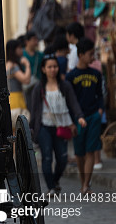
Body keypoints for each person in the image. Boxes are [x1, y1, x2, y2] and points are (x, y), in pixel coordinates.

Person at [30, 54, 85, 196]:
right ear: (43, 69)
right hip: (44, 126)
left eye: (55, 66)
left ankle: (55, 182)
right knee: (47, 157)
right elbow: (34, 110)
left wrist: (79, 117)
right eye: (49, 67)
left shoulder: (65, 86)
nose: (52, 69)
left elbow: (73, 103)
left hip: (62, 126)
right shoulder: (39, 88)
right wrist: (31, 129)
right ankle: (51, 187)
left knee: (62, 159)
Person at [66, 37, 104, 195]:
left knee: (90, 150)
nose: (93, 57)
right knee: (79, 153)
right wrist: (71, 121)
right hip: (77, 119)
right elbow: (68, 101)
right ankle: (83, 182)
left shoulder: (96, 74)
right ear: (80, 55)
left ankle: (86, 185)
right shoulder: (71, 76)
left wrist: (100, 110)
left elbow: (100, 94)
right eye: (90, 54)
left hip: (93, 116)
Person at [6, 38, 31, 130]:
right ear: (13, 50)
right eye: (19, 48)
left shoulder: (7, 64)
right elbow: (26, 80)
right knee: (19, 129)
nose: (21, 50)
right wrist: (27, 65)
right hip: (17, 99)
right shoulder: (14, 65)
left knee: (13, 131)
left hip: (10, 98)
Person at [22, 30, 43, 104]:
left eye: (36, 39)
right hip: (24, 88)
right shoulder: (21, 54)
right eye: (33, 40)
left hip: (38, 86)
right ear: (27, 41)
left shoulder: (40, 55)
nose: (36, 42)